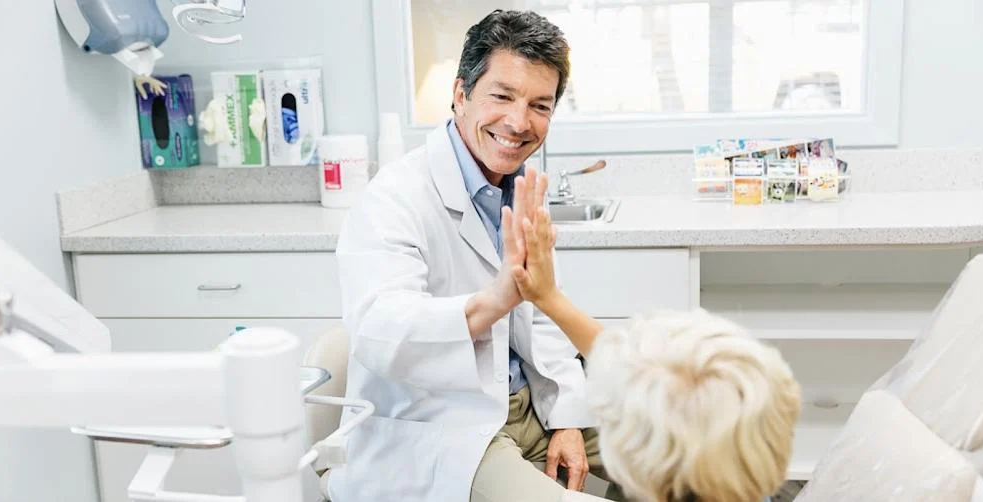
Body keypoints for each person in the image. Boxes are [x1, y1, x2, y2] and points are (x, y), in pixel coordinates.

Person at [331, 9, 625, 502]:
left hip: (530, 406)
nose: (519, 122)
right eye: (502, 96)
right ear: (461, 94)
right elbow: (380, 334)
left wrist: (568, 418)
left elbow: (542, 322)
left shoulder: (519, 186)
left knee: (688, 458)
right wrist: (494, 300)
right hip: (448, 425)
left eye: (539, 105)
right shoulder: (394, 197)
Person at [508, 208, 803, 502]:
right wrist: (549, 298)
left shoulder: (656, 473)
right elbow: (618, 359)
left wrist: (548, 298)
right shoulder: (748, 468)